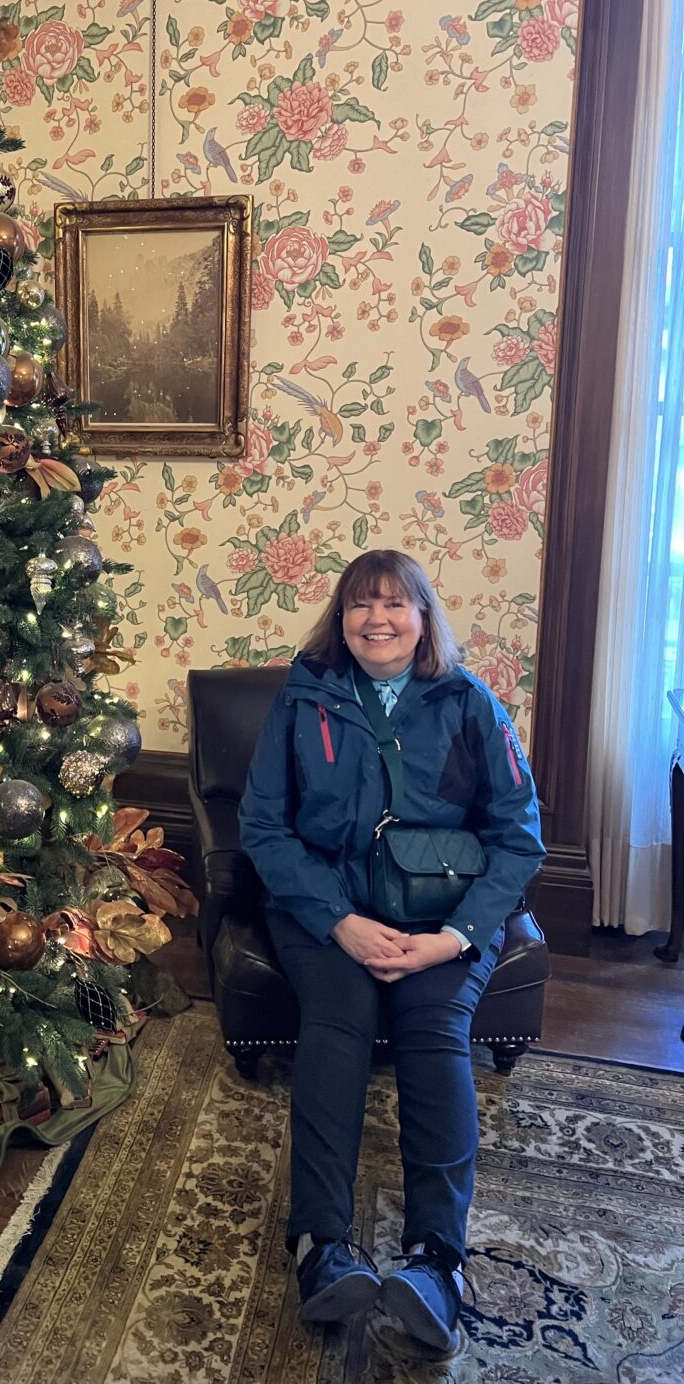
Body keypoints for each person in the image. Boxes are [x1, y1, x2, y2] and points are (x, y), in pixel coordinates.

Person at [238, 549, 544, 1353]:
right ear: (340, 620)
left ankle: (436, 1263)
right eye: (359, 605)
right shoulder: (302, 698)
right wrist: (339, 920)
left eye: (393, 604)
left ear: (422, 617)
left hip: (442, 918)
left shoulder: (471, 702)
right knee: (336, 1023)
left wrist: (454, 938)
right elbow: (263, 827)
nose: (376, 620)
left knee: (434, 1034)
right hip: (324, 909)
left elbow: (519, 838)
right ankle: (321, 1247)